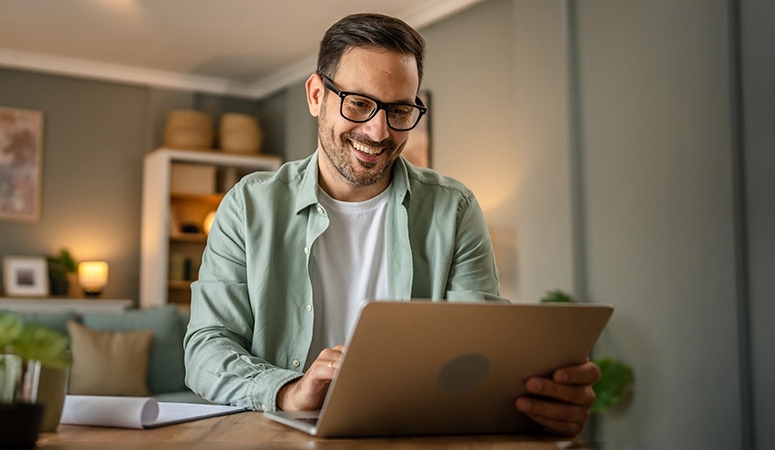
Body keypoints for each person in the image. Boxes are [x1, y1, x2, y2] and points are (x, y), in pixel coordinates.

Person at [184, 12, 600, 437]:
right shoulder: (248, 205)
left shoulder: (454, 209)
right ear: (315, 95)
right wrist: (290, 390)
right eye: (359, 104)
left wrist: (537, 401)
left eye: (399, 109)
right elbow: (207, 348)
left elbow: (476, 355)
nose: (379, 131)